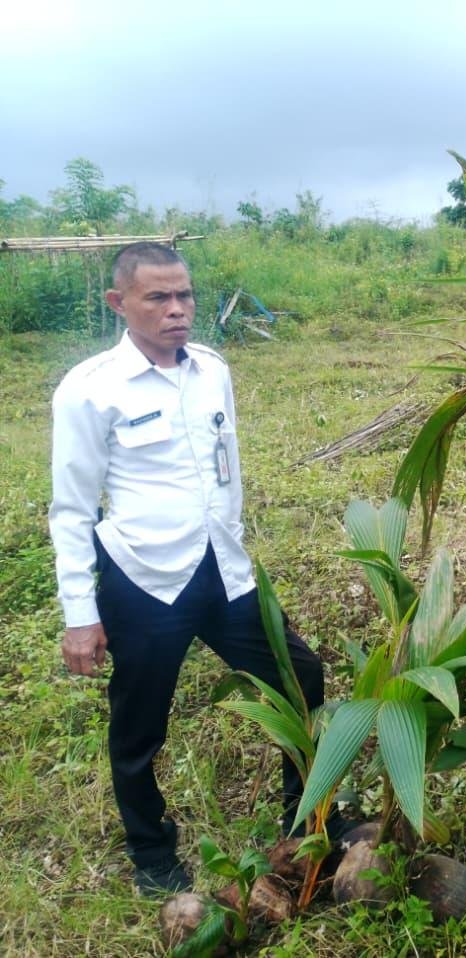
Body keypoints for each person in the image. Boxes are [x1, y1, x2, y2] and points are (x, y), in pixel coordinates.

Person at [49, 243, 324, 895]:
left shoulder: (212, 370)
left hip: (225, 572)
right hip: (144, 580)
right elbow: (70, 507)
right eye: (158, 297)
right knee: (140, 726)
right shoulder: (90, 389)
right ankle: (152, 854)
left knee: (302, 677)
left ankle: (310, 816)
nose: (178, 310)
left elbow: (224, 471)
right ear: (119, 303)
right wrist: (79, 616)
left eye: (186, 295)